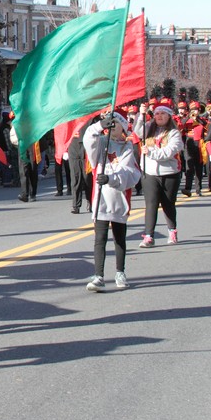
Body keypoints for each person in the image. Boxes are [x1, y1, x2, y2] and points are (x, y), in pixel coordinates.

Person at [82, 110, 141, 291]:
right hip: (101, 198)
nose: (111, 125)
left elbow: (130, 172)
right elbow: (88, 139)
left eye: (115, 122)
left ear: (122, 126)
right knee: (100, 238)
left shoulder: (127, 147)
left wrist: (110, 178)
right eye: (109, 122)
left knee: (119, 237)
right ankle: (99, 275)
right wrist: (100, 126)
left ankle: (120, 272)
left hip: (119, 198)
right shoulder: (100, 143)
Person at [134, 99, 184, 247]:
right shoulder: (149, 128)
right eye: (157, 113)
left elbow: (168, 152)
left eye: (163, 113)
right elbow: (138, 131)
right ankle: (148, 236)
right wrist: (141, 115)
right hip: (149, 172)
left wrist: (150, 152)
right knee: (151, 204)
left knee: (168, 204)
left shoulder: (174, 133)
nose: (159, 116)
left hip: (169, 173)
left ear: (169, 116)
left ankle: (172, 230)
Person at [9, 125, 40, 202]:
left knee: (32, 168)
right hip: (22, 141)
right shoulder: (19, 115)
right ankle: (24, 194)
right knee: (23, 169)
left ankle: (33, 193)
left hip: (32, 140)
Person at [68, 126, 92, 214]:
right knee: (75, 179)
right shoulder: (68, 120)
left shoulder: (87, 119)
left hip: (86, 150)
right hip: (73, 150)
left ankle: (91, 202)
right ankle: (76, 206)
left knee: (87, 179)